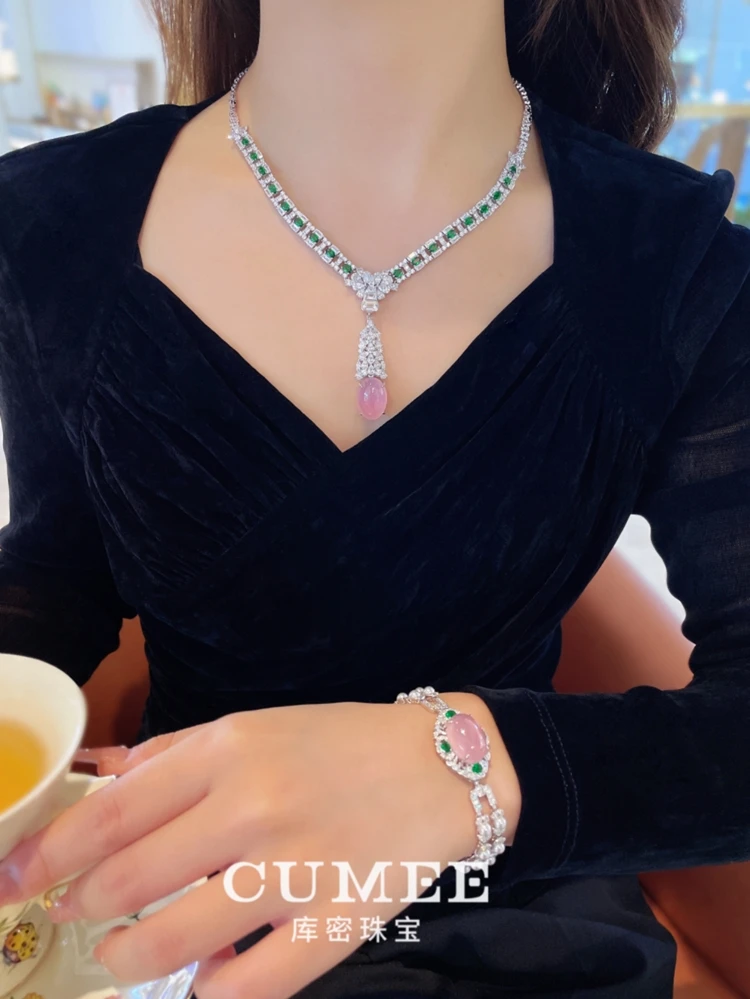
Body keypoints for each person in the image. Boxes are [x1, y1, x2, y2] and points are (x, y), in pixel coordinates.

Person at [0, 0, 749, 996]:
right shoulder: (50, 220)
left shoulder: (676, 264)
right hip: (170, 891)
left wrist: (471, 765)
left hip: (505, 912)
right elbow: (54, 572)